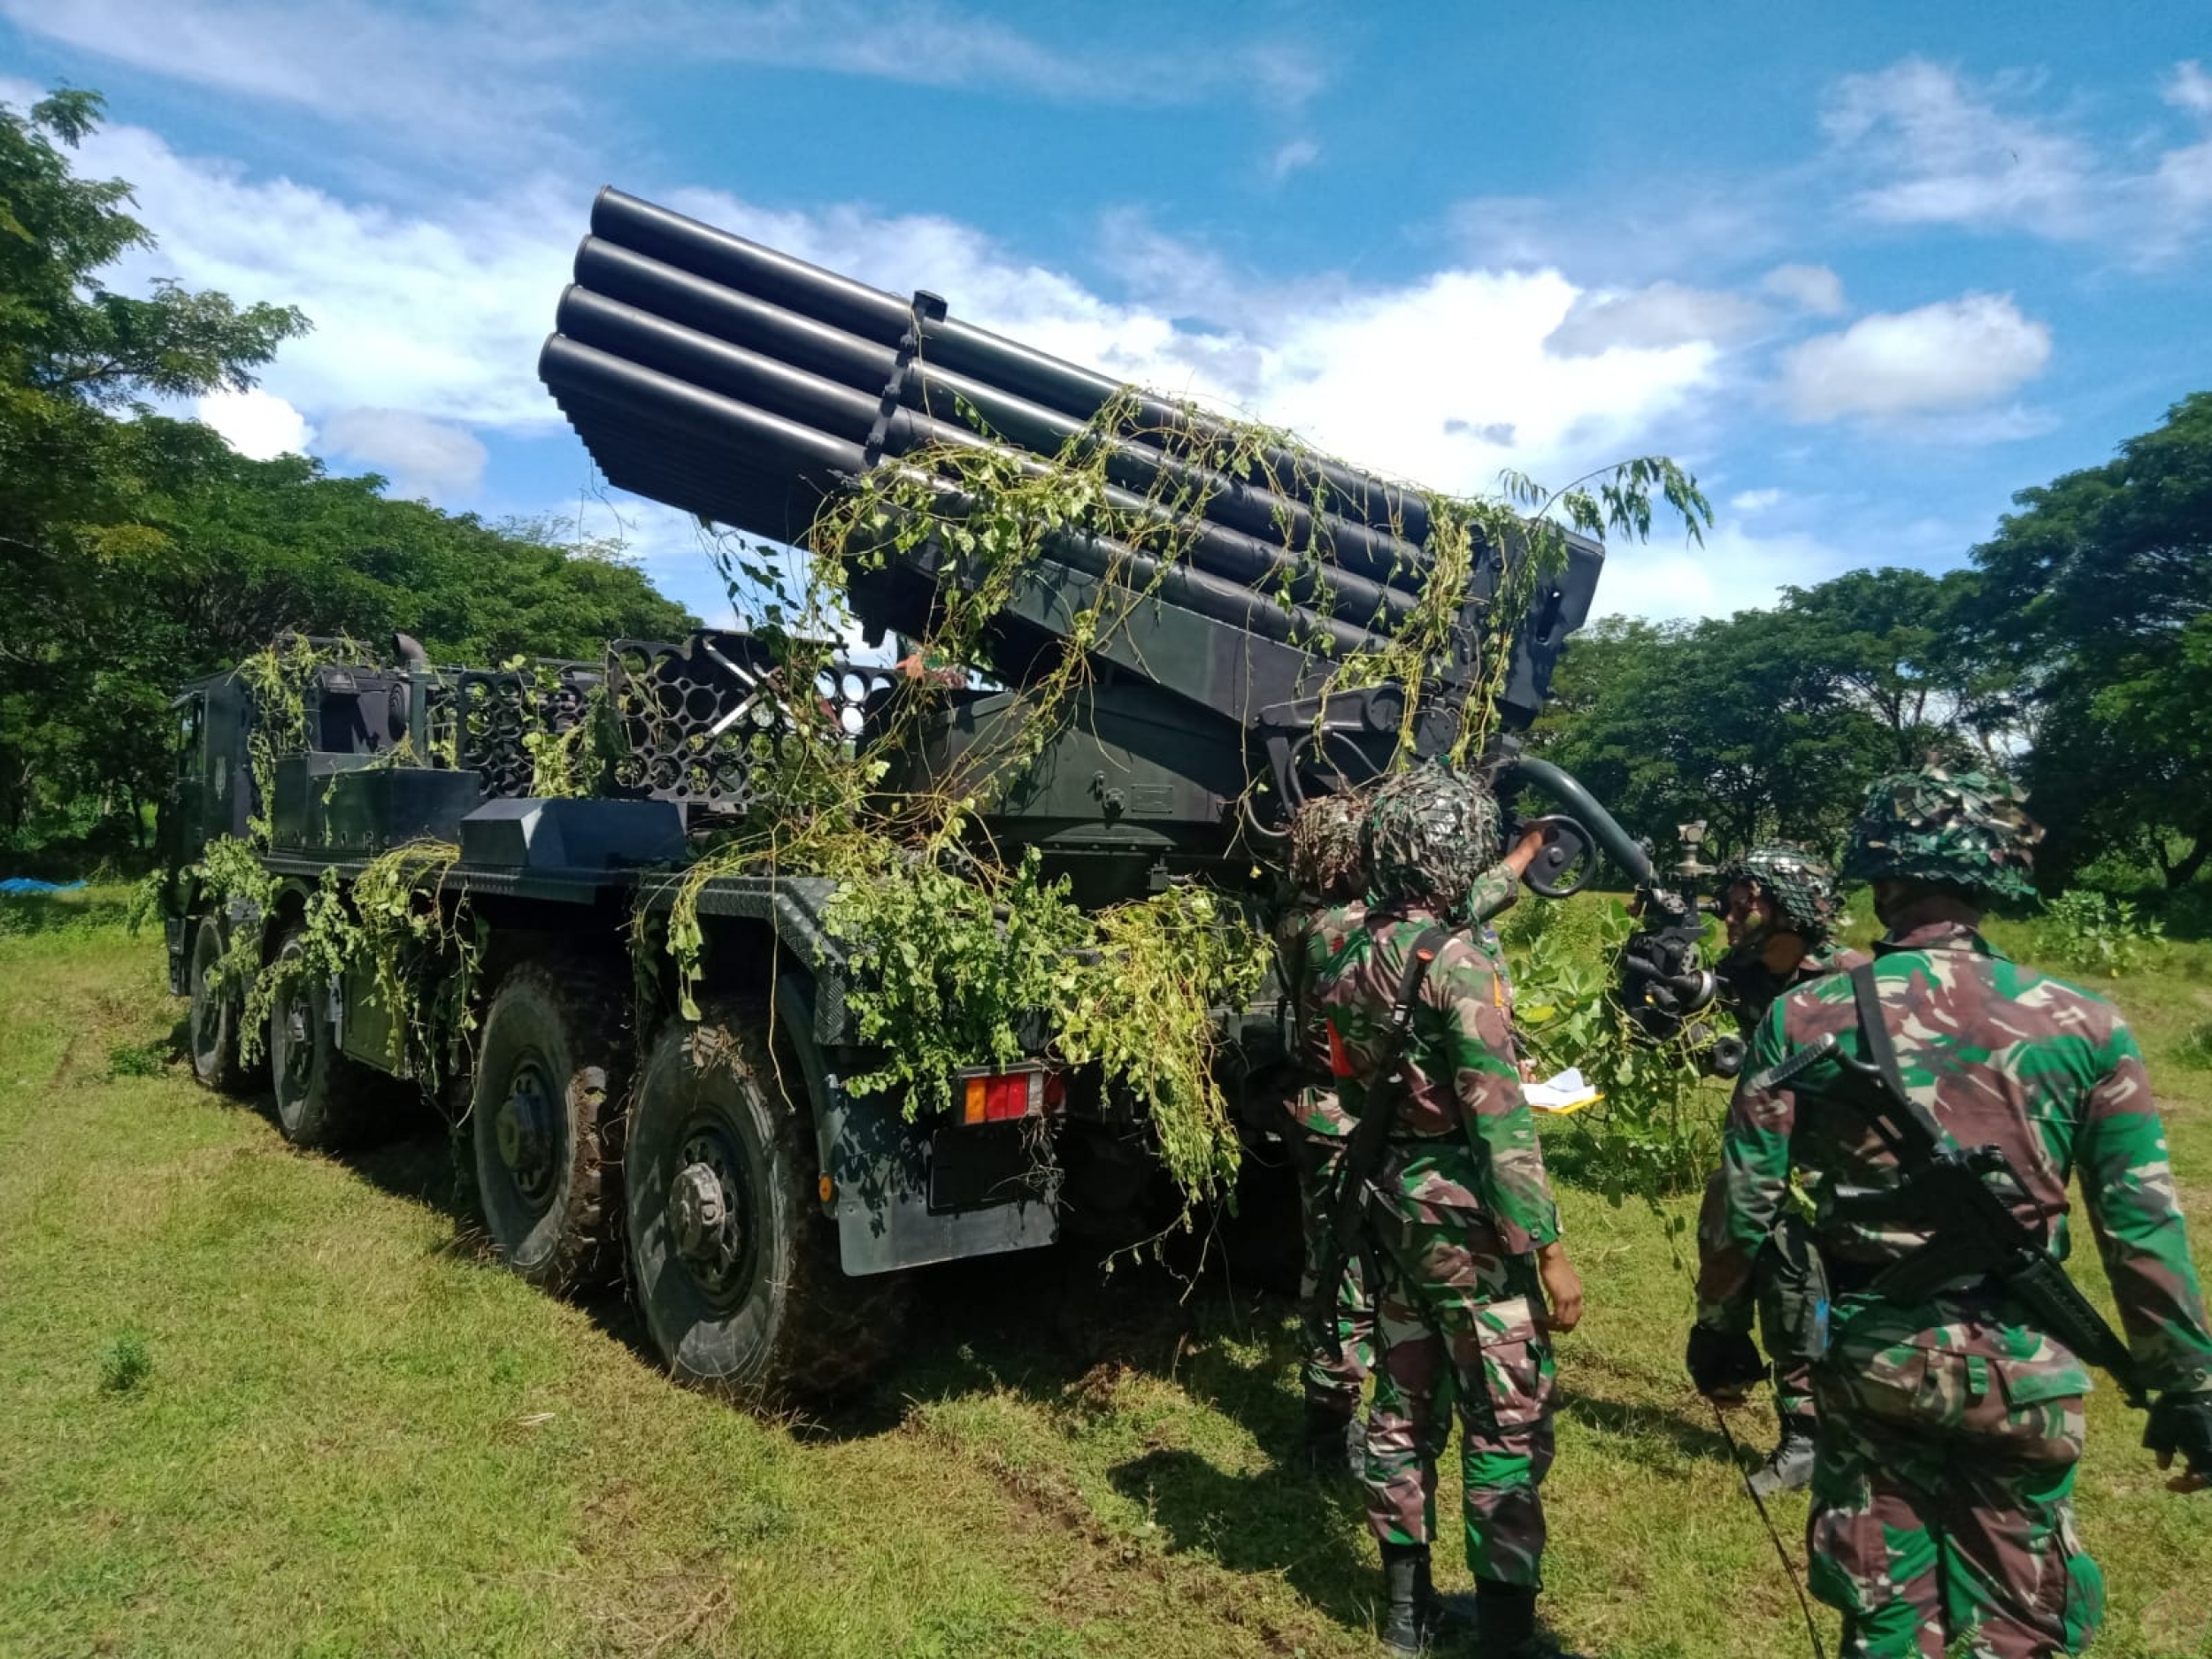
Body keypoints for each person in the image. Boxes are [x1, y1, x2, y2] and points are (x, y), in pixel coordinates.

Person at [1690, 767, 2212, 1659]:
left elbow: (1744, 1199)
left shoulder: (1807, 1016)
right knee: (2020, 1624)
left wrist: (1718, 1325)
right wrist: (2187, 1383)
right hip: (2025, 1369)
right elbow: (2141, 1226)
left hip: (1874, 1358)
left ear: (1881, 877)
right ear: (1991, 878)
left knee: (1885, 1615)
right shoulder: (2087, 1024)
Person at [1313, 764, 1585, 1659]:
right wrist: (1545, 1247)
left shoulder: (1346, 946)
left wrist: (1524, 857)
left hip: (1393, 1204)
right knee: (1505, 1415)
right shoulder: (1458, 961)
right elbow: (1500, 1121)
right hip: (1468, 1221)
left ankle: (1405, 1612)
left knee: (1402, 1401)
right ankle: (1505, 1631)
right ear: (1453, 849)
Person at [1696, 843, 1869, 1496]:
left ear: (1788, 911)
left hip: (1852, 1173)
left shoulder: (1854, 986)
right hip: (1776, 1156)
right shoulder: (1741, 973)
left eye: (1743, 906)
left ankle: (1824, 1433)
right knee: (1783, 1266)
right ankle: (1804, 1432)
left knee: (1818, 1290)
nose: (1729, 918)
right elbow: (1702, 1020)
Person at [1274, 791, 1379, 1475]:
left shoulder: (1295, 916)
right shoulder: (1345, 925)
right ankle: (1329, 1433)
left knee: (1331, 1259)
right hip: (1346, 1116)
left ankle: (1332, 1418)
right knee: (1345, 1272)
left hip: (1316, 1109)